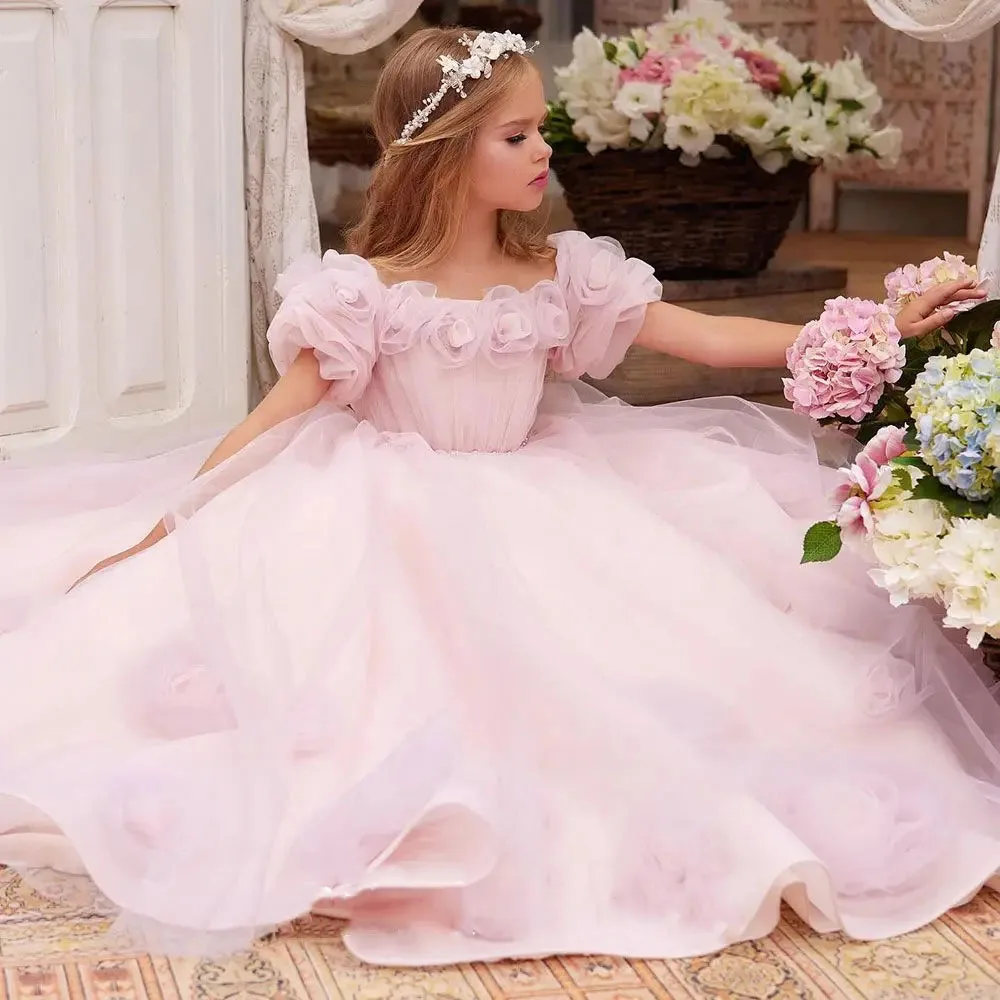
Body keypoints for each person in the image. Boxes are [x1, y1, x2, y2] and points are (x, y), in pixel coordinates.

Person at [0, 25, 995, 966]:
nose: (541, 155)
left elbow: (707, 340)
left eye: (540, 133)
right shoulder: (364, 291)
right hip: (382, 513)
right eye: (515, 137)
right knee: (381, 691)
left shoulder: (558, 273)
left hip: (546, 497)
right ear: (441, 154)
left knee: (658, 662)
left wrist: (877, 323)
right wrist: (172, 517)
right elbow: (278, 418)